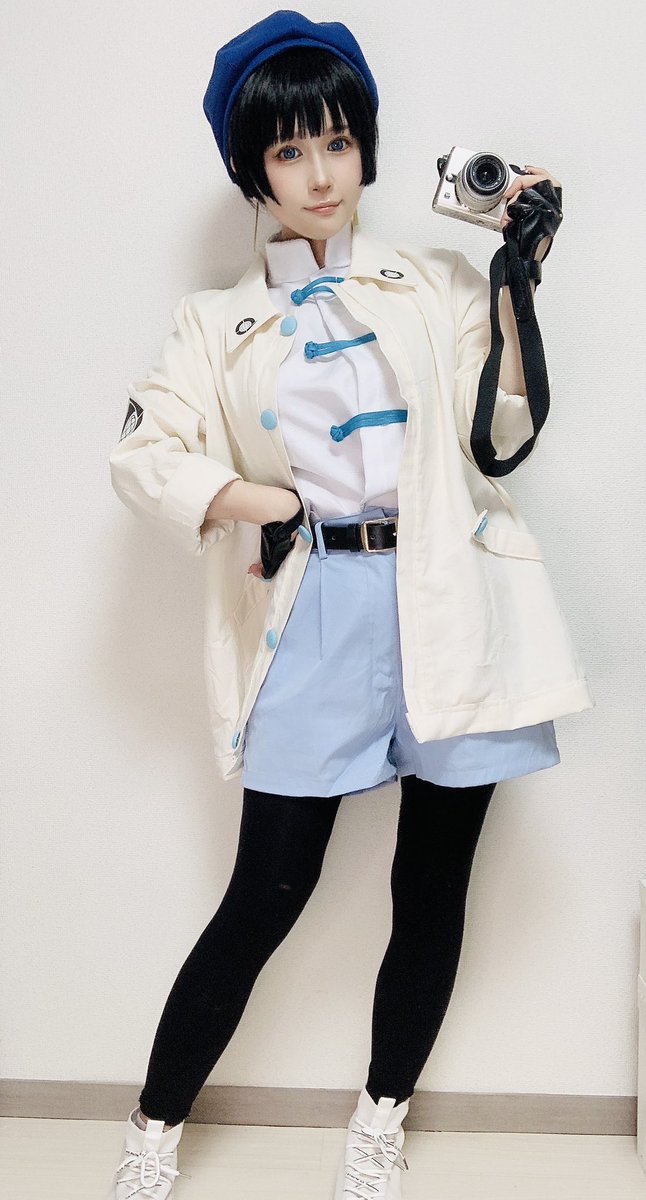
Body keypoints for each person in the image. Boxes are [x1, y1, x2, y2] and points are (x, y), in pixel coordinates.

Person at [106, 11, 593, 1199]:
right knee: (267, 892)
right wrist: (254, 500)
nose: (320, 175)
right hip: (316, 604)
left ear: (366, 146)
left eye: (337, 141)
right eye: (289, 151)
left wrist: (516, 277)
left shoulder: (437, 284)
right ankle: (152, 1130)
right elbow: (142, 455)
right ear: (251, 170)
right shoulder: (214, 322)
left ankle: (380, 1120)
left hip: (451, 597)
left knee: (429, 891)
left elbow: (501, 436)